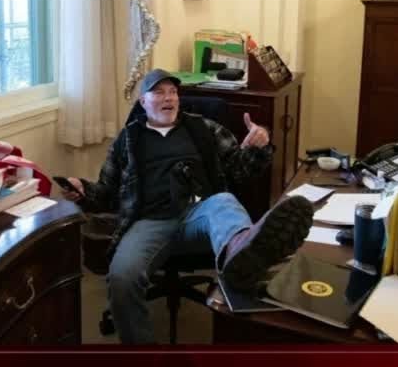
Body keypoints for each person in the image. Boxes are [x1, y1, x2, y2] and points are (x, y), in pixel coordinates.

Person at [60, 68, 315, 344]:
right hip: (149, 222)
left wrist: (259, 146)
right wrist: (84, 192)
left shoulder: (202, 128)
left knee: (224, 201)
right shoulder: (127, 141)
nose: (168, 97)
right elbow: (107, 193)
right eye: (158, 92)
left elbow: (242, 170)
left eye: (173, 92)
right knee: (121, 279)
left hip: (200, 215)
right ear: (142, 102)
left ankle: (241, 256)